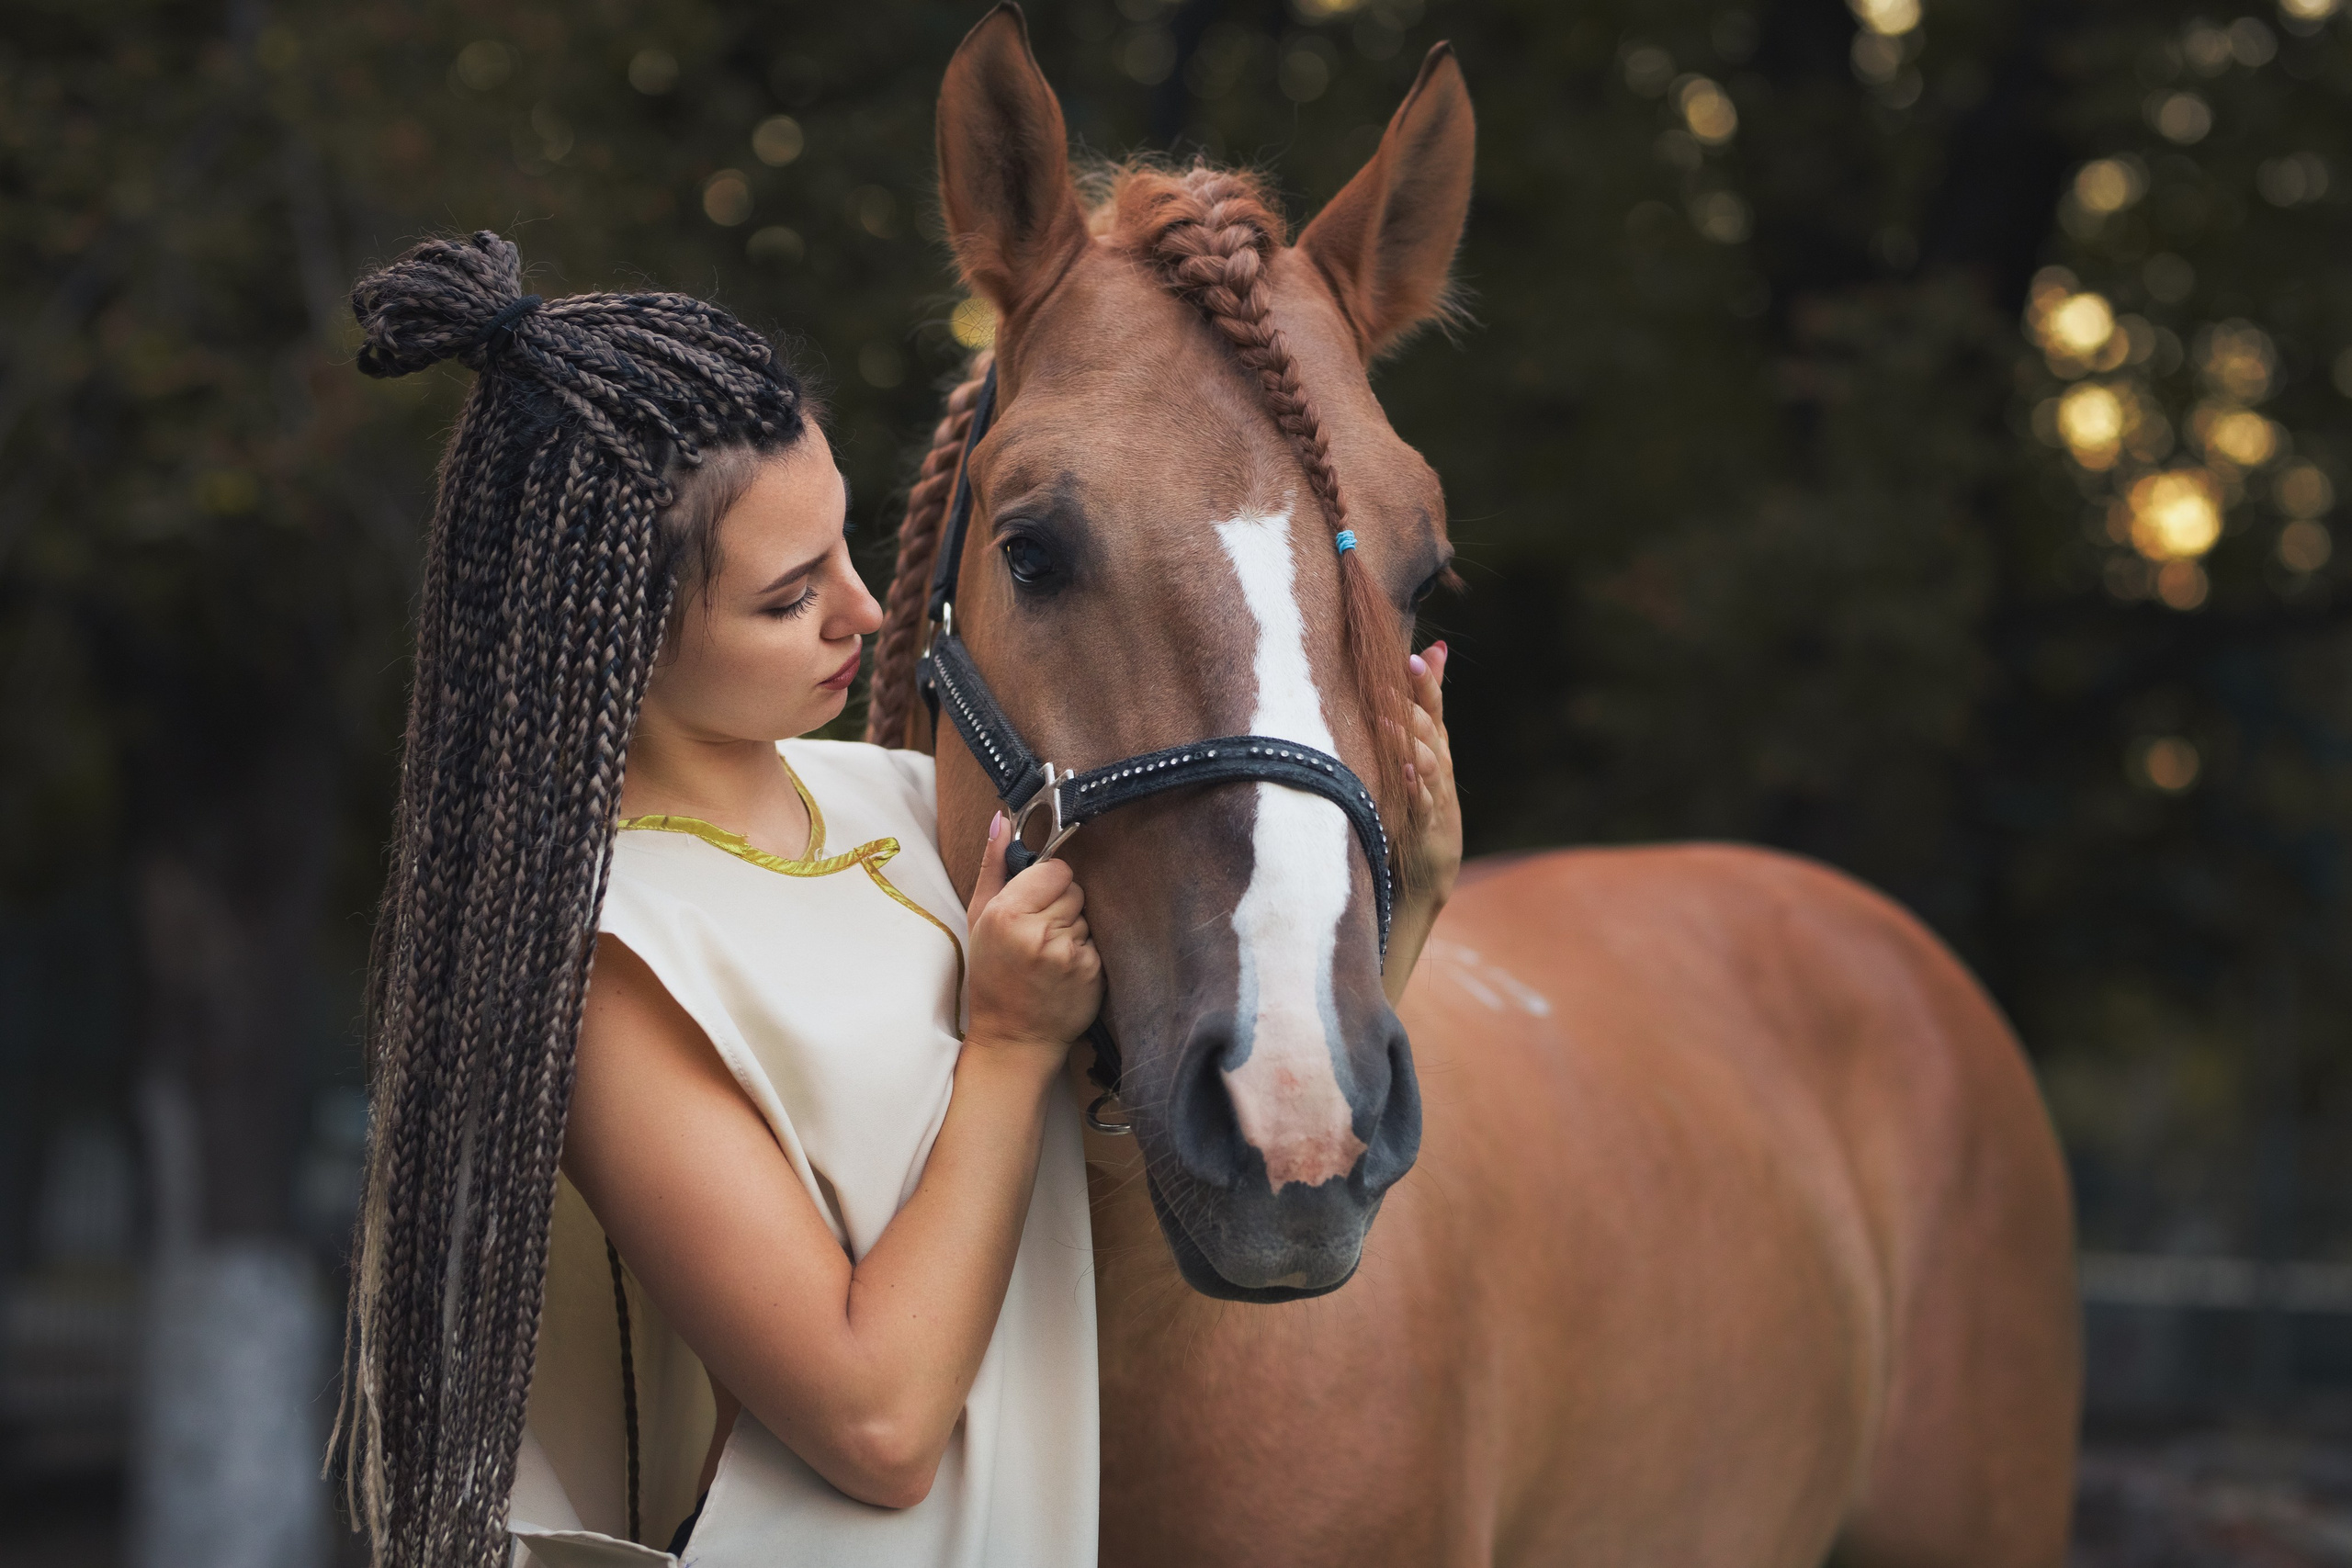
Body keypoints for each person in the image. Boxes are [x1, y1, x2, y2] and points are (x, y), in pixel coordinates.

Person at [333, 231, 1458, 1568]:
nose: (868, 614)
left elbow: (1150, 1177)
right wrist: (1007, 1046)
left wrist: (1412, 901)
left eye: (847, 552)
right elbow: (874, 1425)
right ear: (612, 631)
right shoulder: (610, 963)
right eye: (789, 597)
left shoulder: (902, 807)